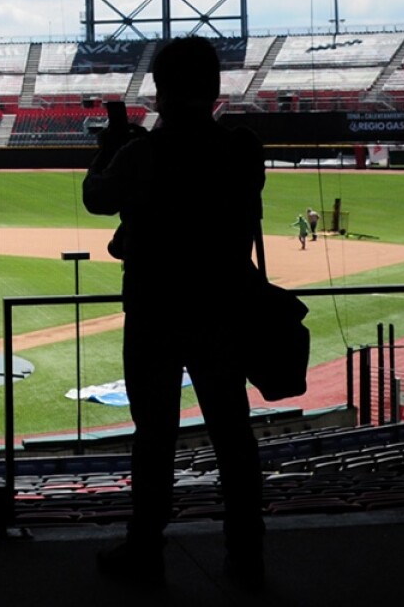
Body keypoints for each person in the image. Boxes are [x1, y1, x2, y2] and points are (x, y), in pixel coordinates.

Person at [82, 36, 267, 591]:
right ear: (213, 88)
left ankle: (146, 546)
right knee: (233, 435)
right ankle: (247, 552)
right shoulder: (242, 148)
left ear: (161, 92)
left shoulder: (144, 154)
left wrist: (114, 148)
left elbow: (96, 196)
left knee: (154, 436)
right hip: (221, 308)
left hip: (155, 312)